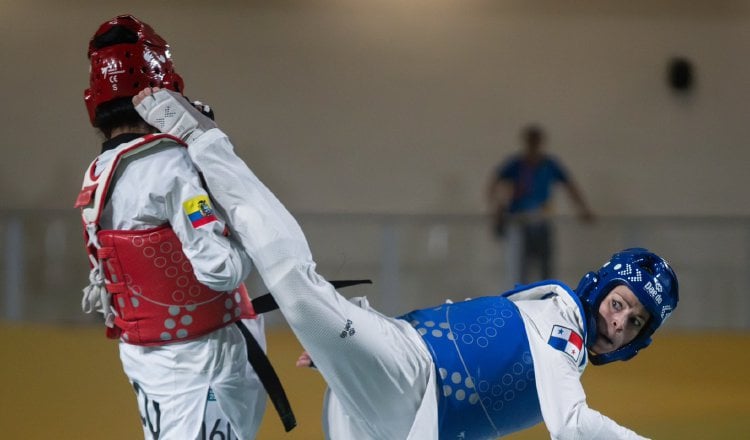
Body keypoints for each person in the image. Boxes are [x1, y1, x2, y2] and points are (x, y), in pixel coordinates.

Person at [133, 86, 679, 439]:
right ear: (600, 289)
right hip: (407, 377)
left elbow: (466, 329)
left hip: (397, 414)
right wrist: (360, 346)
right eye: (620, 305)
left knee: (305, 295)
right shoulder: (567, 328)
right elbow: (576, 426)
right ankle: (205, 142)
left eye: (633, 323)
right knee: (298, 286)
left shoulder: (557, 323)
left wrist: (349, 353)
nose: (620, 323)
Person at [74, 15, 294, 440]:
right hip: (205, 362)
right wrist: (253, 244)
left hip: (148, 360)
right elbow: (221, 271)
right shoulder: (173, 166)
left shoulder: (97, 173)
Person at [486, 124, 594, 285]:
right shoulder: (516, 164)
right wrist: (498, 208)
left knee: (546, 268)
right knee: (519, 269)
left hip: (542, 220)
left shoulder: (549, 164)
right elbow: (493, 184)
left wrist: (583, 210)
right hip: (520, 221)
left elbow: (570, 186)